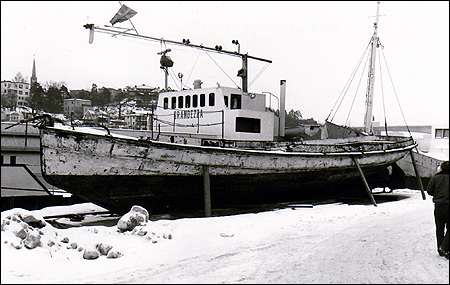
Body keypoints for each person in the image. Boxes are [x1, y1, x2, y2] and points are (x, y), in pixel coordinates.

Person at [426, 160, 449, 259]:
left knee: (439, 228)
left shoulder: (435, 178)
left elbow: (429, 191)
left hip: (438, 206)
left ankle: (440, 248)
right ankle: (444, 247)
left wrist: (438, 194)